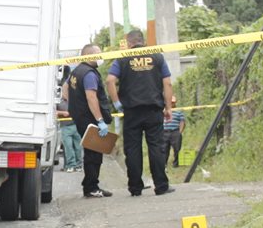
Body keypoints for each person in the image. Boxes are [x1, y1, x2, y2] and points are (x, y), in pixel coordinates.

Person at [106, 29, 174, 196]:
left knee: (133, 149)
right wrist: (168, 107)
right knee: (156, 147)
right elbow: (167, 84)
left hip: (131, 111)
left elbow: (109, 80)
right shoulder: (157, 56)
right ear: (143, 41)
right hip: (153, 110)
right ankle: (161, 186)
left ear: (129, 43)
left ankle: (135, 187)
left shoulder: (122, 58)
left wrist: (117, 103)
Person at [65, 44, 114, 198]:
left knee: (91, 151)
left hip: (79, 116)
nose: (101, 57)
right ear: (89, 55)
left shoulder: (76, 71)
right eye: (98, 54)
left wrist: (74, 103)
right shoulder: (89, 74)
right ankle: (91, 187)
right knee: (94, 153)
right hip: (90, 118)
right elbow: (91, 97)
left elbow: (65, 89)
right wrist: (99, 120)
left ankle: (91, 185)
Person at [56, 96, 82, 172]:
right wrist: (62, 113)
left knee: (78, 147)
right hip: (65, 127)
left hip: (76, 126)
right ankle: (71, 165)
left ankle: (78, 165)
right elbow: (54, 111)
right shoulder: (59, 101)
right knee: (68, 147)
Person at [163, 95, 186, 168]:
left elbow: (182, 122)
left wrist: (180, 132)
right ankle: (164, 164)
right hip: (165, 132)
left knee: (177, 149)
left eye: (172, 102)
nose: (171, 104)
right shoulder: (164, 111)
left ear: (175, 103)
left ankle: (175, 164)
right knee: (164, 149)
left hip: (175, 132)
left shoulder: (178, 112)